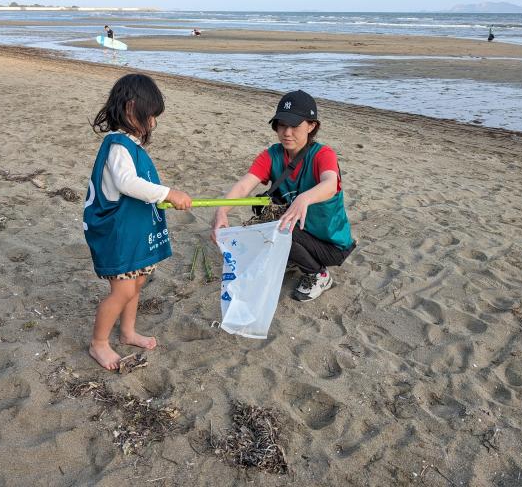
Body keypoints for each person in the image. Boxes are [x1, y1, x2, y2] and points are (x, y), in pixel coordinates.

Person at [83, 73, 192, 369]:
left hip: (133, 233)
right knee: (123, 290)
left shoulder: (131, 145)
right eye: (151, 116)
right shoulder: (118, 146)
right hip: (117, 234)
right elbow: (127, 183)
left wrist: (164, 194)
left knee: (137, 282)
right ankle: (99, 343)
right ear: (132, 108)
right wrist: (169, 191)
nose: (153, 123)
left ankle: (128, 331)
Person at [212, 90, 355, 302]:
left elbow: (330, 184)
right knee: (262, 220)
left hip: (331, 244)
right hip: (299, 231)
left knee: (279, 223)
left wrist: (304, 198)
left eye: (295, 126)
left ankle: (319, 274)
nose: (287, 132)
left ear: (311, 126)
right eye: (281, 125)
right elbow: (244, 186)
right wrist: (221, 212)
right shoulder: (273, 155)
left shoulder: (322, 155)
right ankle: (293, 256)